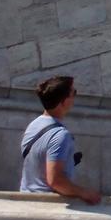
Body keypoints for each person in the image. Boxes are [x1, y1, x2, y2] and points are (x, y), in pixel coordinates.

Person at [18, 75, 100, 204]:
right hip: (48, 205)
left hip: (27, 201)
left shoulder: (33, 126)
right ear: (63, 101)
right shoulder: (60, 135)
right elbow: (55, 181)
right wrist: (85, 193)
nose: (74, 98)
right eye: (74, 93)